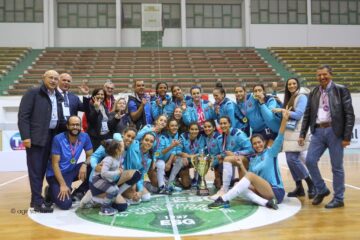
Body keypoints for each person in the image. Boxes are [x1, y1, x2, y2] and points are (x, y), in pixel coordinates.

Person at [208, 107, 291, 210]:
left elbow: (280, 136)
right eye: (254, 144)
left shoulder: (271, 152)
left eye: (259, 142)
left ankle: (223, 199)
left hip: (275, 191)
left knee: (249, 177)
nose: (257, 145)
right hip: (263, 192)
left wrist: (284, 120)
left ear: (264, 143)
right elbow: (248, 177)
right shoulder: (254, 160)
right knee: (240, 185)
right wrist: (241, 165)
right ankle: (266, 203)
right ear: (252, 146)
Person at [298, 65, 355, 209]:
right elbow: (308, 114)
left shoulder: (341, 90)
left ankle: (339, 198)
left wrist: (346, 136)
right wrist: (302, 133)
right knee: (310, 160)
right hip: (317, 131)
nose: (322, 77)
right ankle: (321, 189)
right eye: (319, 75)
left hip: (334, 132)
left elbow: (349, 114)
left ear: (331, 74)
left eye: (325, 74)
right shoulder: (314, 92)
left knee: (337, 167)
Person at [18, 70, 64, 213]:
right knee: (36, 171)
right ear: (43, 78)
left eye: (56, 78)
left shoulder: (58, 96)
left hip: (53, 137)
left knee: (44, 170)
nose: (53, 80)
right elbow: (23, 116)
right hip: (37, 138)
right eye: (50, 77)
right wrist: (26, 136)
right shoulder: (33, 92)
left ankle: (36, 200)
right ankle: (38, 203)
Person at [273, 78, 315, 199]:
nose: (291, 86)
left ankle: (310, 183)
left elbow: (298, 114)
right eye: (289, 84)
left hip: (297, 132)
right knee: (289, 160)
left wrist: (282, 110)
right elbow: (290, 111)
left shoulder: (301, 97)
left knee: (292, 159)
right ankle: (299, 187)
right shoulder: (291, 98)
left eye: (294, 84)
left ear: (297, 85)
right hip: (290, 132)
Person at [46, 116, 93, 210]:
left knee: (92, 166)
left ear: (80, 126)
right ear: (67, 126)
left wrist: (84, 164)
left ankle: (79, 192)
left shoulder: (85, 137)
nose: (75, 127)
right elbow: (55, 164)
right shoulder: (58, 139)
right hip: (56, 174)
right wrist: (63, 185)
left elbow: (91, 156)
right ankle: (50, 191)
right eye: (72, 125)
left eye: (77, 125)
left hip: (71, 171)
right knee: (66, 204)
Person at [210, 116, 253, 200]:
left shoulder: (238, 134)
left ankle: (224, 190)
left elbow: (250, 150)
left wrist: (235, 154)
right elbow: (224, 153)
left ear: (229, 124)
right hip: (237, 159)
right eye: (221, 123)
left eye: (225, 123)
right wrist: (215, 162)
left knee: (227, 159)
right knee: (242, 187)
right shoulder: (222, 137)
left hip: (247, 159)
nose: (222, 125)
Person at [123, 133, 156, 202]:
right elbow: (117, 135)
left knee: (146, 197)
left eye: (151, 141)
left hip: (134, 179)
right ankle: (122, 194)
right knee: (134, 196)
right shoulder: (133, 145)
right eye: (146, 140)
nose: (148, 143)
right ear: (141, 140)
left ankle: (132, 192)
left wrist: (140, 191)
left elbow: (141, 176)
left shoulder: (149, 159)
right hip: (123, 176)